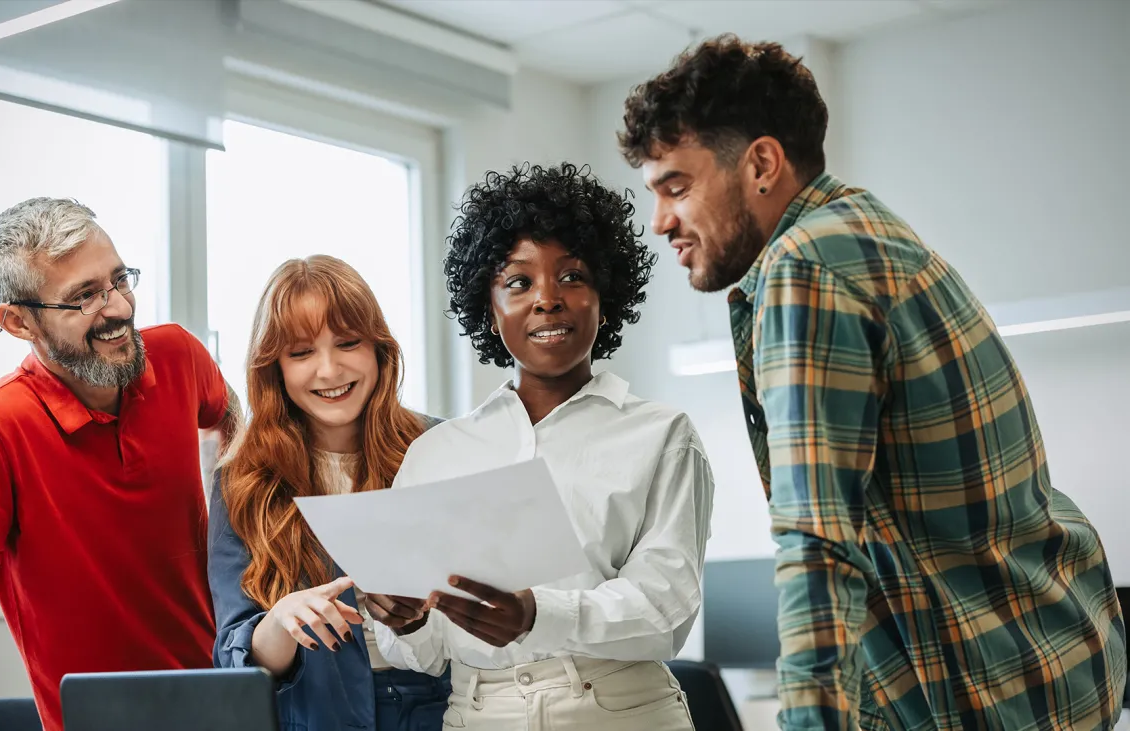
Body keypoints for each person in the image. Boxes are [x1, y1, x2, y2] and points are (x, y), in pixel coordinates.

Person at [619, 34, 1127, 731]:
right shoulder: (864, 225)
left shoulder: (805, 267)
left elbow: (816, 540)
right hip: (1056, 660)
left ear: (762, 163)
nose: (660, 221)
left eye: (677, 185)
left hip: (987, 694)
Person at [371, 163, 715, 731]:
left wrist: (536, 614)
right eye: (518, 282)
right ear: (488, 305)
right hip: (478, 714)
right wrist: (404, 623)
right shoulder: (437, 453)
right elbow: (426, 654)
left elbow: (665, 610)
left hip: (620, 711)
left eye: (573, 277)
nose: (547, 299)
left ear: (606, 293)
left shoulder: (662, 435)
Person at [0, 197, 240, 731]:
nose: (118, 308)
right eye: (84, 297)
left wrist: (226, 544)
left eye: (119, 280)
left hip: (228, 695)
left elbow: (232, 422)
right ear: (18, 321)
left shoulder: (179, 355)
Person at [209, 255, 450, 731]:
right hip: (315, 716)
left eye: (347, 343)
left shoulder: (439, 445)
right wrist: (281, 622)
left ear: (379, 349)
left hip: (444, 706)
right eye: (300, 353)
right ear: (274, 368)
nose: (329, 369)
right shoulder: (240, 478)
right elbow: (234, 656)